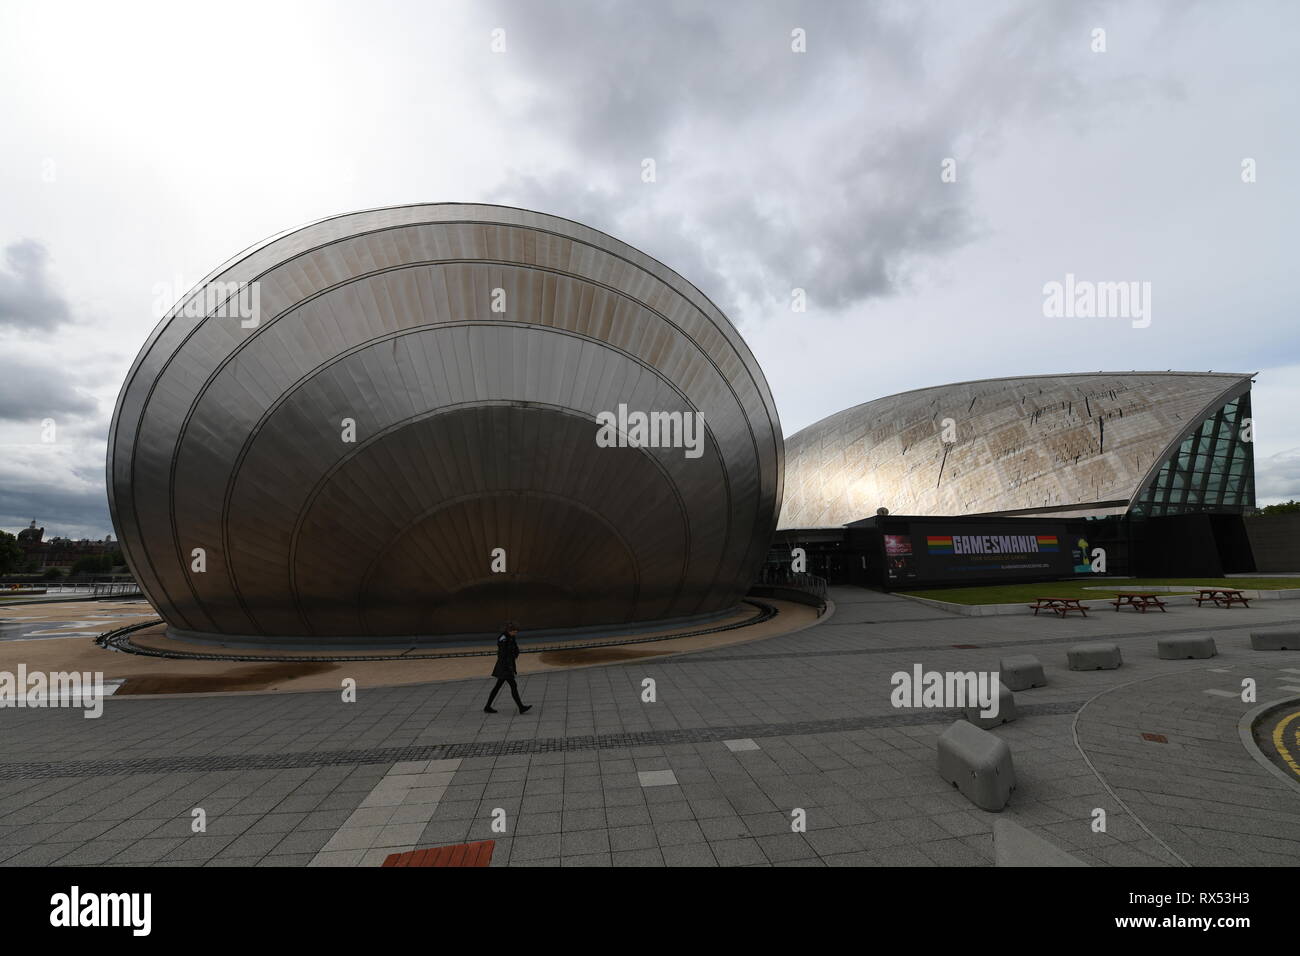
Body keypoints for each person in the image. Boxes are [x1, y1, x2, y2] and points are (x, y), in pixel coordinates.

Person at [484, 621, 532, 714]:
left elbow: (514, 648)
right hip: (504, 667)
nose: (516, 633)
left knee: (497, 687)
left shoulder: (511, 637)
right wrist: (508, 664)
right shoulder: (503, 639)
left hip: (507, 666)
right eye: (514, 631)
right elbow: (502, 654)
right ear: (510, 631)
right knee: (513, 685)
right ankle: (521, 707)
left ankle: (487, 706)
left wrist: (515, 654)